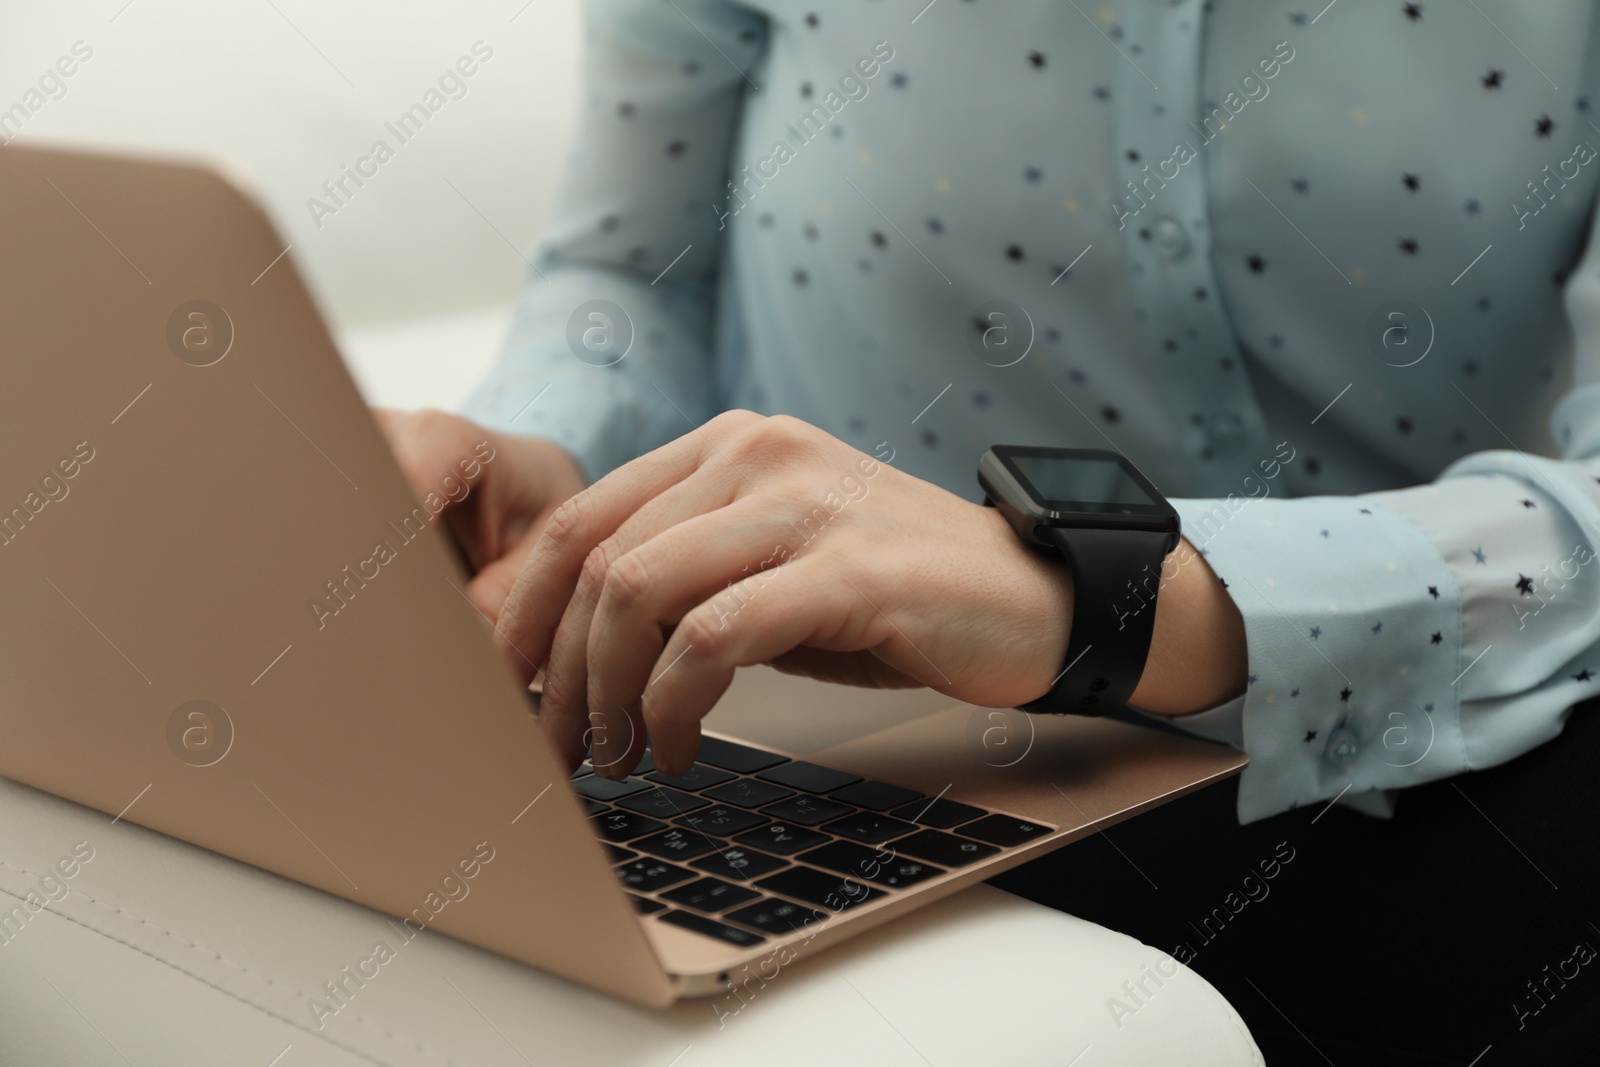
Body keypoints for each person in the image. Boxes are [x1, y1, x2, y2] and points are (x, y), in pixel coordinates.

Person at [378, 3, 1600, 1062]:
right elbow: (635, 273)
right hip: (826, 748)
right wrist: (544, 457)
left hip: (1431, 745)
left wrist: (1088, 600)